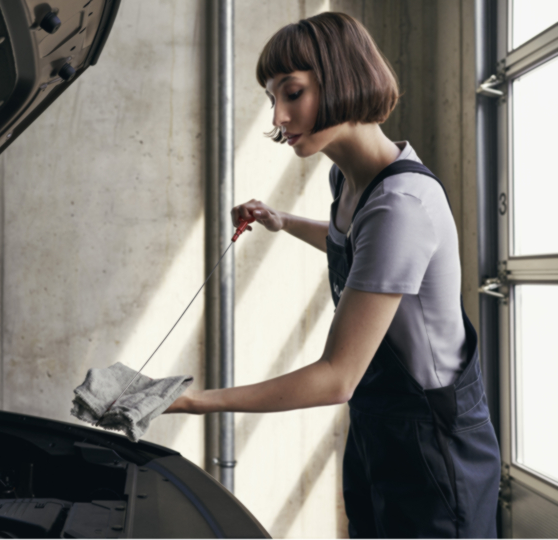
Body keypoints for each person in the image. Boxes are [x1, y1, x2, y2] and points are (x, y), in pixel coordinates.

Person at [164, 12, 500, 538]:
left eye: (291, 93)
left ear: (342, 76)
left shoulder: (402, 205)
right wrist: (283, 221)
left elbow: (337, 377)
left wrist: (191, 401)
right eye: (271, 97)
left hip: (435, 449)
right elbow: (365, 251)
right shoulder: (349, 180)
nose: (277, 115)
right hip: (380, 431)